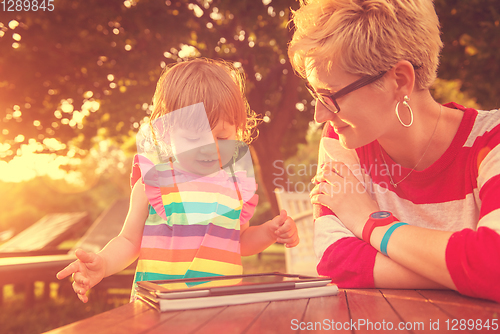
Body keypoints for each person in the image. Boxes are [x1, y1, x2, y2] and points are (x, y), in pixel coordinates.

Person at [288, 0, 500, 302]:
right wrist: (463, 271)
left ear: (399, 80)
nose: (319, 116)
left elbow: (494, 265)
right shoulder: (343, 138)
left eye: (330, 96)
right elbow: (336, 260)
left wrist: (371, 221)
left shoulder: (493, 139)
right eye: (315, 94)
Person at [57, 58, 299, 303]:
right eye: (194, 140)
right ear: (166, 134)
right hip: (159, 306)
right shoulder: (152, 185)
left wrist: (270, 232)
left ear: (238, 130)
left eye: (222, 135)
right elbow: (129, 241)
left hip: (220, 308)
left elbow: (239, 242)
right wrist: (104, 263)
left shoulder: (235, 188)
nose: (209, 149)